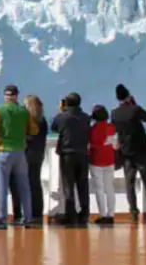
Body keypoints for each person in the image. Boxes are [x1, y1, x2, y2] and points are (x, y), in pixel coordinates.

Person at [0, 84, 39, 229]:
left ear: (5, 96)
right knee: (24, 186)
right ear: (17, 96)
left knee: (2, 186)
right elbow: (34, 130)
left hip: (3, 151)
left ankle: (1, 218)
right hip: (20, 152)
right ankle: (28, 218)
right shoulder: (23, 111)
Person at [111, 84, 146, 223]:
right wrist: (134, 104)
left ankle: (133, 212)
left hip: (126, 153)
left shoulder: (114, 113)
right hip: (142, 152)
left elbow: (115, 128)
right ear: (128, 96)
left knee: (129, 184)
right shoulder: (135, 109)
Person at [51, 92, 92, 227]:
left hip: (67, 155)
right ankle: (85, 214)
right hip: (83, 154)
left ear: (66, 104)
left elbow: (54, 128)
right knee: (83, 185)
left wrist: (61, 111)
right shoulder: (86, 117)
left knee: (68, 186)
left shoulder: (61, 117)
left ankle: (71, 214)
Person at [17, 94, 47, 223]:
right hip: (39, 154)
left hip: (27, 154)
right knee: (36, 183)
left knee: (26, 184)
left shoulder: (27, 121)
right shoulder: (42, 120)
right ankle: (37, 212)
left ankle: (27, 213)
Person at [88, 104, 116, 225]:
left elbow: (93, 144)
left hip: (96, 161)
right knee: (109, 188)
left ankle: (102, 214)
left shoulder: (93, 129)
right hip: (109, 160)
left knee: (99, 188)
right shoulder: (111, 127)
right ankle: (111, 214)